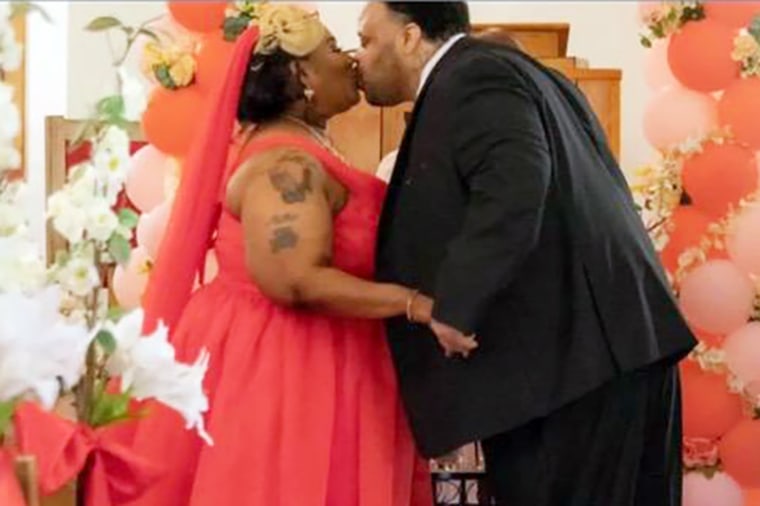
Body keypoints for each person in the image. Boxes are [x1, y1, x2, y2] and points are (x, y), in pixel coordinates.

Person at [355, 3, 697, 505]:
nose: (357, 57)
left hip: (573, 373)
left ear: (408, 37)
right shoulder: (517, 74)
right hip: (599, 357)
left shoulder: (473, 77)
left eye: (366, 40)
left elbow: (514, 187)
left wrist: (456, 304)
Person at [122, 5, 432, 505]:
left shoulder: (304, 144)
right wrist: (412, 303)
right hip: (285, 363)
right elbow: (291, 278)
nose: (350, 59)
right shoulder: (283, 162)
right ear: (302, 74)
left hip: (323, 352)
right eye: (333, 48)